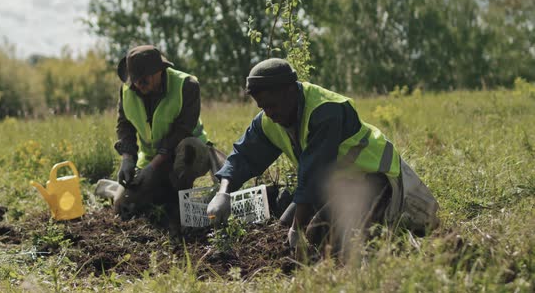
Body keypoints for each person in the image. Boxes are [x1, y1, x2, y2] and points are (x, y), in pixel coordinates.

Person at [206, 58, 439, 255]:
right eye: (262, 107)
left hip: (375, 180)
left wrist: (297, 229)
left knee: (318, 234)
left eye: (273, 105)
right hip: (337, 186)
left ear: (290, 90)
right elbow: (244, 156)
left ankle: (383, 232)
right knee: (284, 224)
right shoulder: (269, 119)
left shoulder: (326, 111)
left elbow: (314, 173)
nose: (270, 113)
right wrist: (223, 192)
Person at [107, 45, 220, 235]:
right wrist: (127, 158)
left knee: (188, 150)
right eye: (134, 80)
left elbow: (182, 131)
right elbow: (124, 125)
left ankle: (181, 201)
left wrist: (154, 167)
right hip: (151, 160)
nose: (138, 85)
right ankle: (165, 192)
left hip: (187, 153)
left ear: (160, 71)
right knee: (123, 205)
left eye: (144, 80)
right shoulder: (127, 90)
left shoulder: (187, 86)